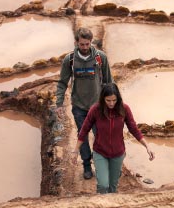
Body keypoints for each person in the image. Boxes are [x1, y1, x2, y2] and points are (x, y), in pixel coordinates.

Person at [71, 83, 155, 194]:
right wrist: (75, 151)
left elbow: (134, 129)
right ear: (102, 99)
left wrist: (147, 146)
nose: (111, 103)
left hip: (118, 154)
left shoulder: (124, 109)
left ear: (118, 98)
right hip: (100, 152)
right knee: (103, 185)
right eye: (108, 100)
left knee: (112, 187)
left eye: (114, 100)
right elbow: (83, 131)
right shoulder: (95, 110)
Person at [53, 27, 113, 179]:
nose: (85, 47)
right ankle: (86, 165)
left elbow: (108, 82)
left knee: (101, 136)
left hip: (98, 107)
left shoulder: (100, 58)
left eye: (87, 44)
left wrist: (112, 103)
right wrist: (59, 104)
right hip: (79, 107)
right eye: (82, 44)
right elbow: (62, 83)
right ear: (76, 43)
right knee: (83, 137)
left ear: (91, 42)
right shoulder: (70, 60)